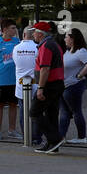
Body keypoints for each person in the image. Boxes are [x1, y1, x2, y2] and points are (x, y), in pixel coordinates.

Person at [28, 22, 66, 154]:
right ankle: (53, 144)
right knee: (51, 114)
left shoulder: (46, 46)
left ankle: (56, 138)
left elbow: (45, 69)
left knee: (34, 112)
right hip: (57, 83)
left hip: (49, 85)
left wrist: (40, 88)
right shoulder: (53, 44)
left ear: (40, 33)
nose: (33, 34)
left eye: (34, 31)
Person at [59, 29, 87, 145]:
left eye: (66, 36)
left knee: (76, 111)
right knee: (64, 112)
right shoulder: (69, 51)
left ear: (73, 38)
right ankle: (61, 137)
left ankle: (81, 137)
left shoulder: (81, 51)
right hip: (65, 86)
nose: (65, 39)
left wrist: (80, 75)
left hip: (73, 85)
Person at [0, 22, 22, 141]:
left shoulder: (17, 42)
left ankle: (12, 130)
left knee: (13, 104)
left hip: (15, 80)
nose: (15, 30)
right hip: (1, 80)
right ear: (5, 29)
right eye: (13, 28)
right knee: (0, 105)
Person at [11, 28, 40, 143]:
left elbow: (15, 62)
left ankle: (26, 137)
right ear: (33, 35)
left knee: (23, 113)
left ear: (23, 34)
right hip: (36, 86)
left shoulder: (16, 48)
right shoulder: (37, 48)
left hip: (21, 86)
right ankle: (36, 138)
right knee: (37, 113)